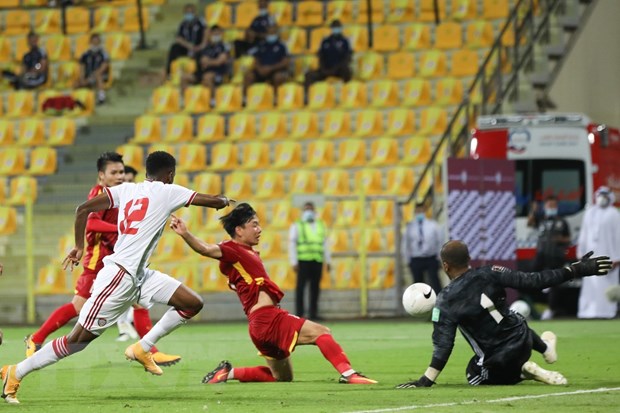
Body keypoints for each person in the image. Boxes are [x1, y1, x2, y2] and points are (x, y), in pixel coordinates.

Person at [1, 151, 231, 405]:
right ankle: (16, 371)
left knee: (191, 303)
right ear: (170, 174)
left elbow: (82, 210)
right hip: (119, 276)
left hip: (140, 275)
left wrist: (79, 246)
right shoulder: (169, 191)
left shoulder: (126, 190)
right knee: (77, 341)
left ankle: (142, 347)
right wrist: (225, 199)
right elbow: (215, 201)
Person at [169, 203, 377, 385]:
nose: (259, 229)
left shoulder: (245, 253)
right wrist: (186, 233)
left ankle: (228, 373)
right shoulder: (232, 249)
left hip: (258, 326)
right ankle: (349, 374)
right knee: (321, 332)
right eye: (254, 225)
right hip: (268, 319)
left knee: (282, 378)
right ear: (239, 230)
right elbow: (205, 249)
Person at [24, 153, 180, 366]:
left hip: (118, 262)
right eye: (114, 172)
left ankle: (150, 350)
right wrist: (122, 228)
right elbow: (92, 224)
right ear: (101, 175)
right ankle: (36, 338)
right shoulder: (98, 194)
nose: (119, 176)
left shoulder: (119, 194)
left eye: (122, 172)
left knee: (138, 301)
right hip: (98, 261)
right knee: (78, 307)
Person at [395, 240, 612, 389]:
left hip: (499, 358)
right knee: (515, 315)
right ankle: (544, 348)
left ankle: (522, 372)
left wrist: (426, 380)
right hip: (524, 339)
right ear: (469, 259)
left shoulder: (445, 301)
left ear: (445, 266)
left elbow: (444, 346)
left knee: (473, 374)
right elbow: (534, 281)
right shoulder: (492, 272)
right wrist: (575, 270)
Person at [577, 186, 620, 319]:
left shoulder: (614, 213)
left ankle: (607, 312)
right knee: (590, 287)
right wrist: (580, 254)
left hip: (609, 258)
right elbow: (583, 235)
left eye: (605, 196)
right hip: (590, 259)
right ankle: (588, 312)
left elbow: (618, 236)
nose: (602, 198)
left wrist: (617, 258)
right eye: (600, 195)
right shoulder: (590, 213)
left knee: (606, 286)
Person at [527, 195, 572, 319]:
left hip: (556, 256)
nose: (551, 208)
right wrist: (533, 210)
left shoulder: (561, 221)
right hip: (541, 255)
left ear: (556, 207)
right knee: (530, 277)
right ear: (545, 207)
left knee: (554, 282)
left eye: (553, 205)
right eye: (549, 205)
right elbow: (530, 223)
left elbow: (568, 238)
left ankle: (551, 309)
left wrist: (560, 239)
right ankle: (534, 305)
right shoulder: (541, 219)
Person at [288, 202, 330, 320]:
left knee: (315, 288)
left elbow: (325, 243)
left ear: (315, 211)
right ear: (303, 211)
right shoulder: (297, 225)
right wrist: (294, 261)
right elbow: (292, 244)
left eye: (311, 209)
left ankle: (313, 314)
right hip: (302, 261)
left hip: (317, 260)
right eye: (307, 209)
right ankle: (299, 314)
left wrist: (328, 260)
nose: (309, 212)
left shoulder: (321, 224)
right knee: (300, 288)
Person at [403, 202, 443, 294]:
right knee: (417, 284)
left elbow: (440, 241)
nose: (419, 213)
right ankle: (419, 305)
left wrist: (439, 257)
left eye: (421, 211)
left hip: (431, 258)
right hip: (416, 259)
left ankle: (440, 304)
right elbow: (406, 244)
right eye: (417, 211)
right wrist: (408, 259)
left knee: (435, 282)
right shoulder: (410, 227)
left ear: (425, 211)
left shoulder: (433, 225)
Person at [304, 20, 352, 91]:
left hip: (338, 70)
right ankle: (307, 96)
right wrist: (324, 69)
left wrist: (335, 69)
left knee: (347, 71)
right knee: (309, 75)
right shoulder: (326, 41)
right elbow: (321, 56)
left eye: (337, 27)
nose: (336, 29)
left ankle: (346, 93)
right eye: (334, 27)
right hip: (325, 69)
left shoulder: (345, 41)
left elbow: (347, 58)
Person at [243, 24, 289, 96]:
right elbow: (256, 60)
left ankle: (275, 98)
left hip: (275, 70)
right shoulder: (261, 45)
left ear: (276, 34)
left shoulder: (282, 46)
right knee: (249, 76)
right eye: (269, 33)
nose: (271, 35)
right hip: (261, 70)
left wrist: (270, 68)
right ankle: (245, 99)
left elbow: (285, 62)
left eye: (272, 33)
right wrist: (260, 69)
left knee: (278, 77)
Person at [165, 4, 207, 76]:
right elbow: (179, 38)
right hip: (188, 47)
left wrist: (202, 45)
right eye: (187, 13)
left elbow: (206, 32)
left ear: (194, 13)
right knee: (174, 47)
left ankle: (198, 75)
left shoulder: (200, 22)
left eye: (190, 13)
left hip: (199, 47)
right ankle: (169, 72)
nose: (189, 15)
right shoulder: (183, 24)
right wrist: (188, 46)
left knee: (201, 54)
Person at [190, 25, 231, 95]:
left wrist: (208, 62)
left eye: (218, 34)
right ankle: (186, 101)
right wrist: (209, 62)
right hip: (204, 70)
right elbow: (202, 60)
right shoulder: (207, 47)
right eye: (214, 34)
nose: (216, 36)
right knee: (184, 78)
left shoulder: (224, 46)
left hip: (218, 71)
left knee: (206, 78)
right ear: (211, 34)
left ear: (221, 34)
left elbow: (220, 61)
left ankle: (215, 98)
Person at [76, 33, 110, 105]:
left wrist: (95, 74)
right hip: (89, 75)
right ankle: (79, 100)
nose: (95, 43)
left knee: (99, 76)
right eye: (93, 41)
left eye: (97, 41)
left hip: (100, 75)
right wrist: (82, 77)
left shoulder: (103, 53)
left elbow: (105, 65)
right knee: (76, 83)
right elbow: (82, 66)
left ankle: (101, 98)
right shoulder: (85, 54)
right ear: (90, 42)